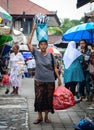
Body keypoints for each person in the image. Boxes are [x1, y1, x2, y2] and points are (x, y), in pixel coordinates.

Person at [27, 24, 62, 124]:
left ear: (47, 45)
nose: (43, 46)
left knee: (48, 99)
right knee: (39, 99)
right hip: (39, 80)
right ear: (39, 46)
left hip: (50, 81)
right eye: (41, 44)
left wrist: (59, 79)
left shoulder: (51, 56)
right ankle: (39, 117)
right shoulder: (36, 53)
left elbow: (55, 68)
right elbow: (28, 43)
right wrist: (33, 29)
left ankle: (46, 117)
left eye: (44, 44)